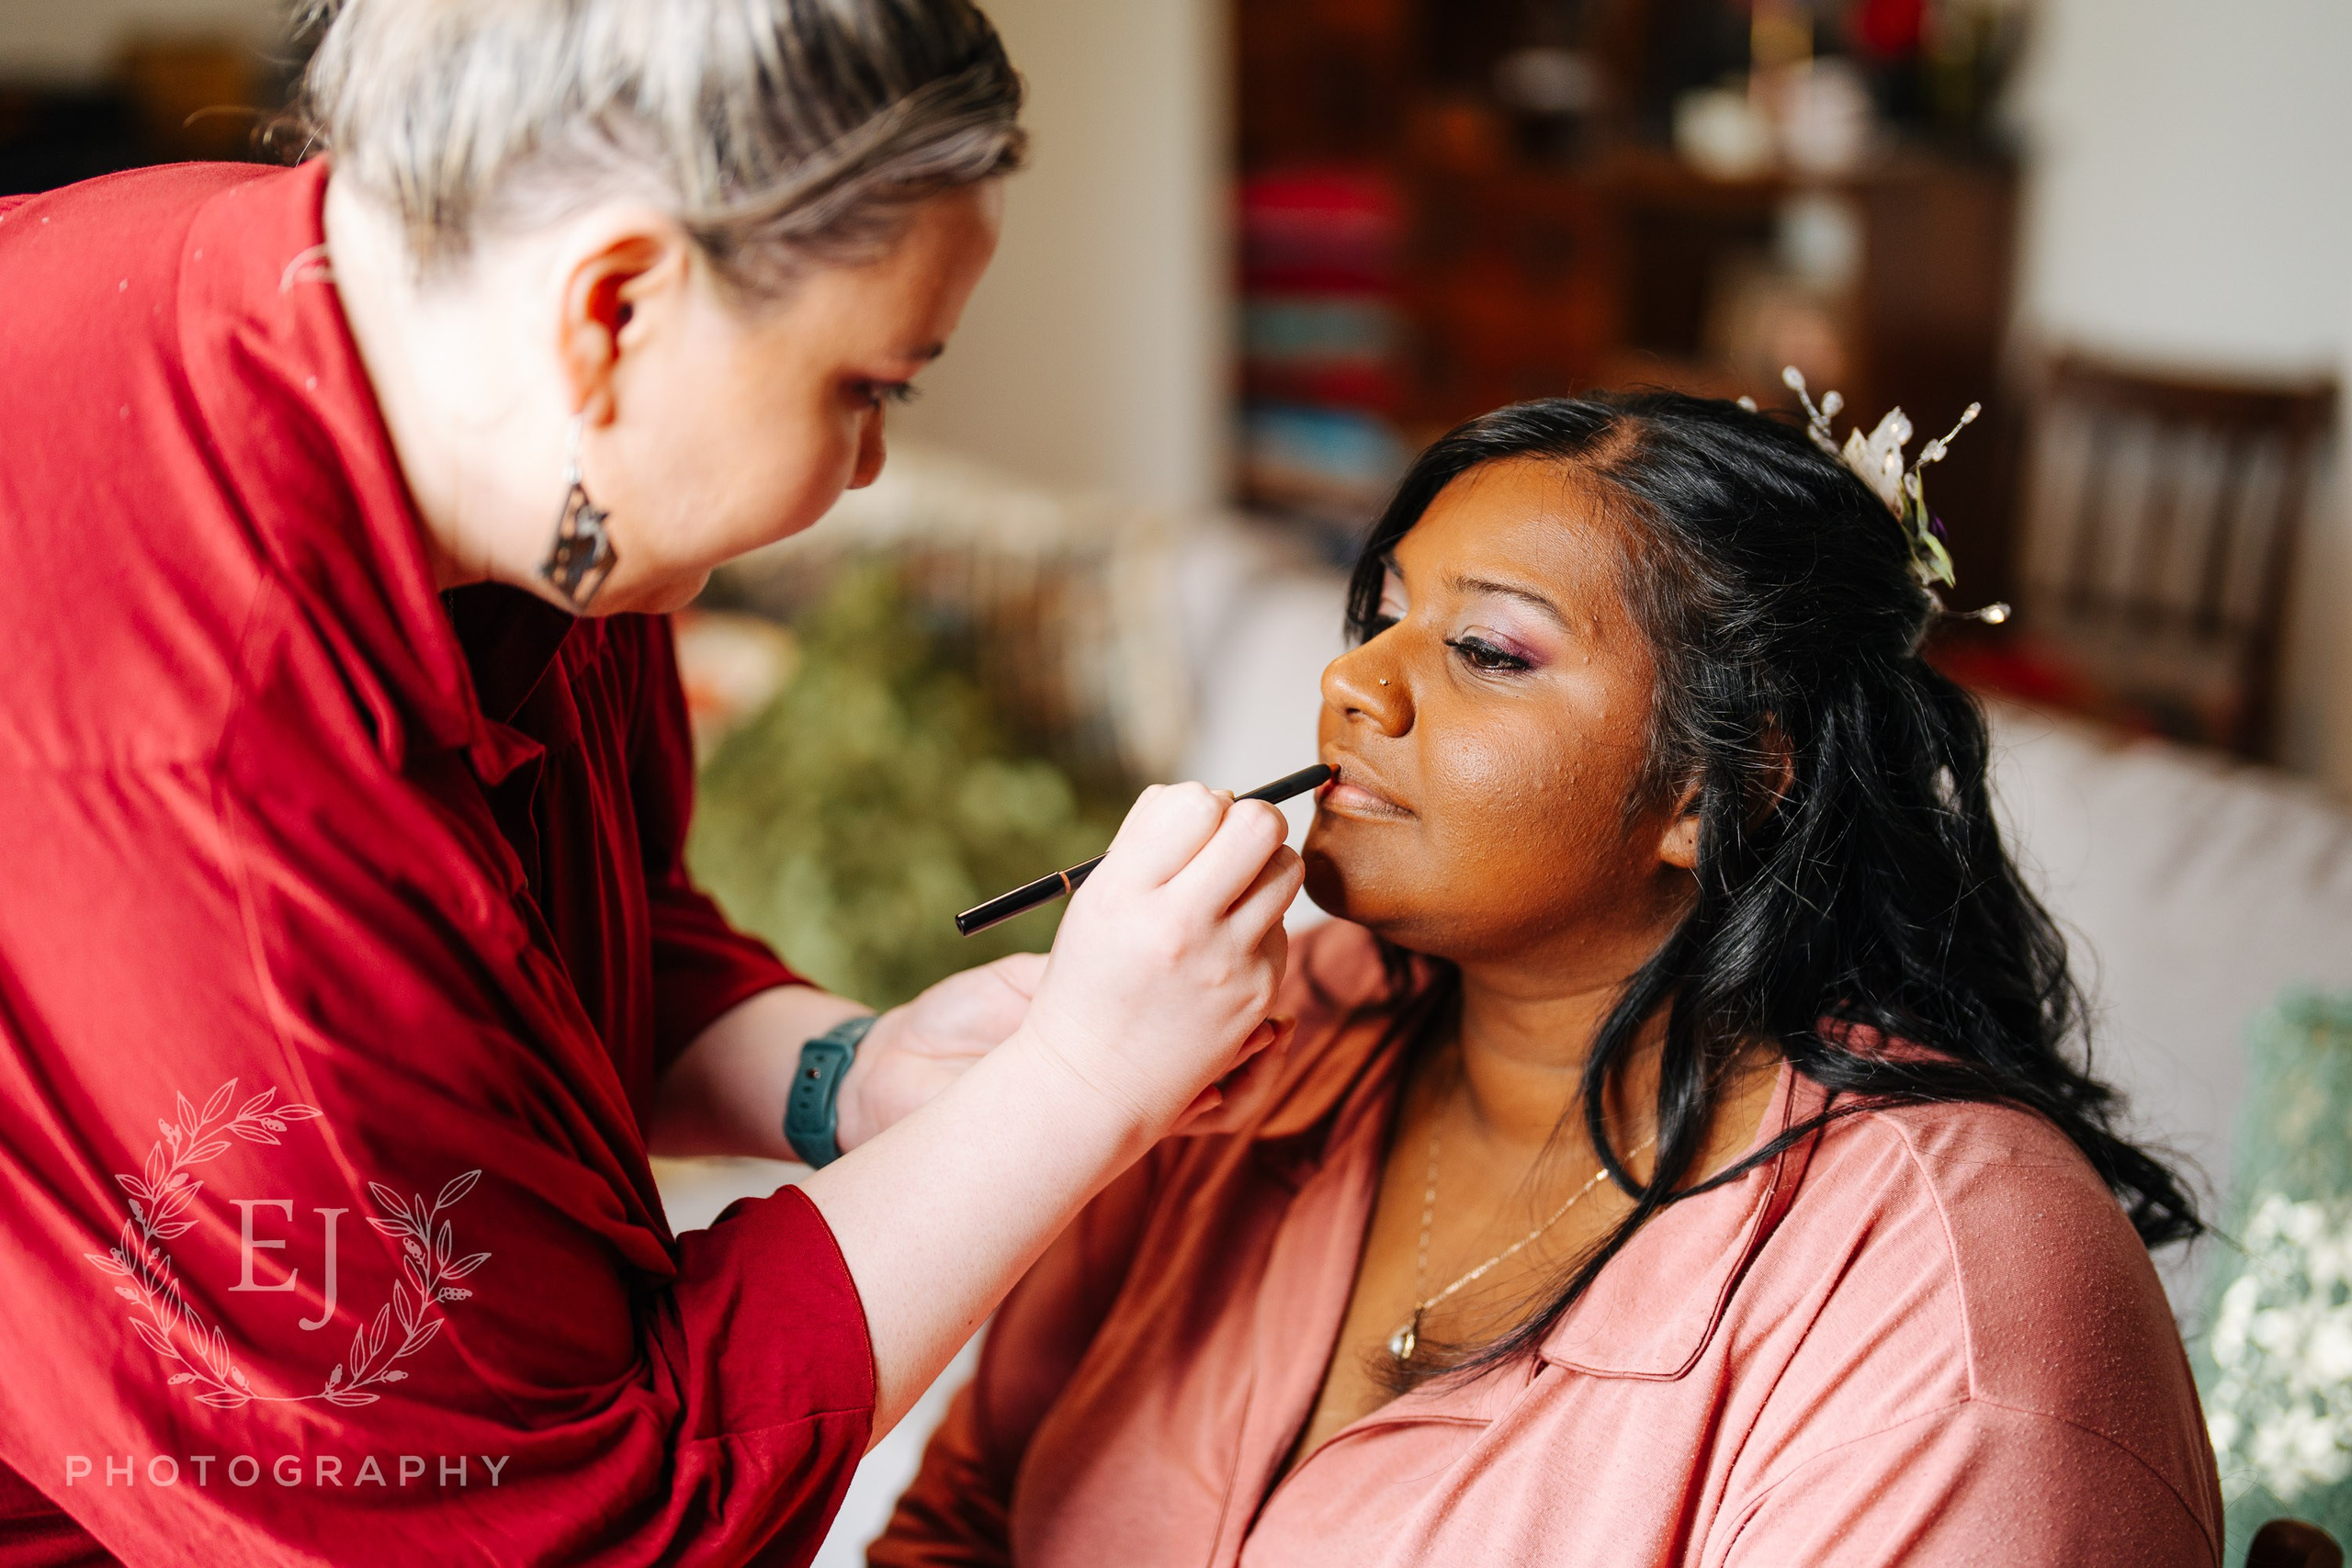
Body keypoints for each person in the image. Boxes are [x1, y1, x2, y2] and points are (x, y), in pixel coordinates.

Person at [0, 1, 1302, 1561]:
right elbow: (567, 1521)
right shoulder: (214, 789)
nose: (868, 471)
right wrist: (1080, 1086)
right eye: (869, 388)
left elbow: (552, 952)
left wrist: (846, 1075)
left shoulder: (490, 436)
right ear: (613, 308)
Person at [874, 392, 2227, 1567]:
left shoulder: (1947, 1299)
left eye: (1486, 650)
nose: (1353, 681)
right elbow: (966, 1515)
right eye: (1383, 613)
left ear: (1722, 785)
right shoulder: (1265, 1028)